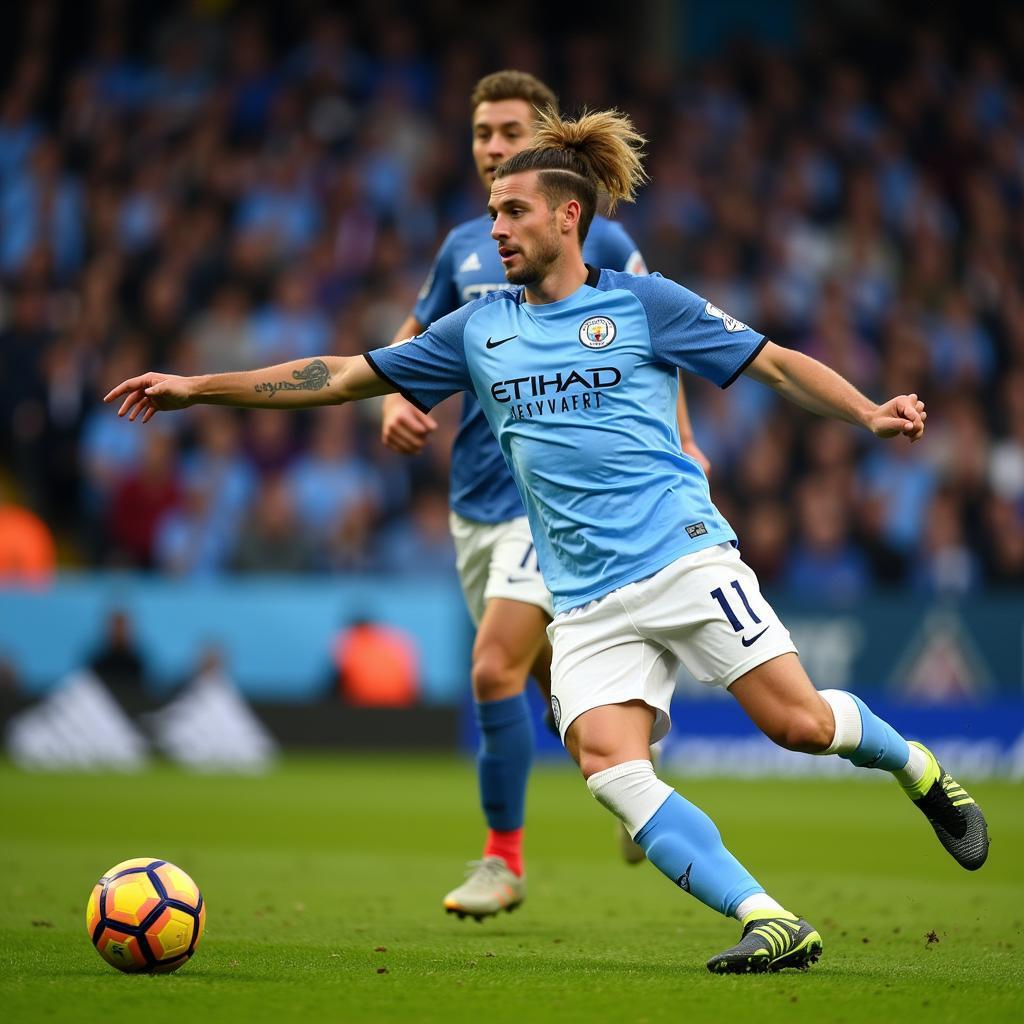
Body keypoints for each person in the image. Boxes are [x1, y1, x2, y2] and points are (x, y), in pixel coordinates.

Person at [105, 107, 989, 975]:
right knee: (609, 764)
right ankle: (770, 919)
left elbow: (773, 361)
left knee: (798, 726)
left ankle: (916, 766)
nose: (495, 228)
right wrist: (198, 388)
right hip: (584, 601)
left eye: (513, 210)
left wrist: (869, 411)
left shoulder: (646, 303)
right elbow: (339, 375)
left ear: (570, 217)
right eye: (491, 212)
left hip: (683, 557)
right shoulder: (479, 328)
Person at [380, 70, 709, 914]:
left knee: (493, 665)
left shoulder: (596, 245)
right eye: (484, 131)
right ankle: (635, 781)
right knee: (542, 682)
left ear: (545, 138)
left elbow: (655, 337)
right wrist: (394, 397)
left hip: (555, 501)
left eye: (510, 130)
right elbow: (412, 336)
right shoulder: (465, 246)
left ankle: (502, 860)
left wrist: (682, 437)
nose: (494, 145)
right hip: (475, 498)